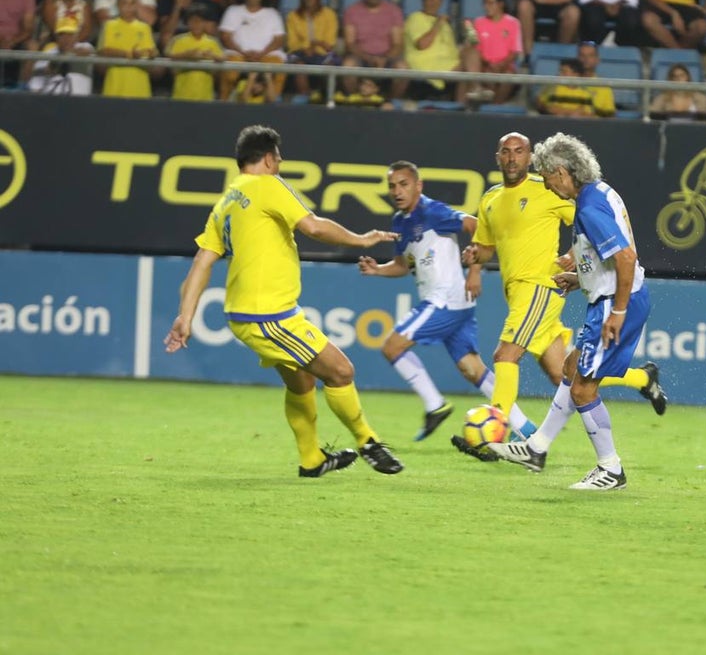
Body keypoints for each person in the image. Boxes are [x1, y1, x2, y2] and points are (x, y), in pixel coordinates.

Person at [164, 126, 404, 478]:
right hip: (268, 316)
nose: (280, 163)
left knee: (301, 381)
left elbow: (202, 260)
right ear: (267, 158)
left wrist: (185, 316)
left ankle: (312, 460)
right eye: (278, 157)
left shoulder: (227, 201)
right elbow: (314, 227)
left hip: (247, 314)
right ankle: (369, 441)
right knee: (341, 371)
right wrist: (362, 239)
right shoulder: (267, 185)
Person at [454, 132, 666, 460]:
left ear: (548, 167)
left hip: (542, 287)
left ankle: (497, 431)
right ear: (497, 156)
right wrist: (475, 259)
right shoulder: (491, 199)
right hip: (525, 291)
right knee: (567, 373)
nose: (512, 158)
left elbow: (607, 242)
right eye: (505, 152)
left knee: (506, 356)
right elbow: (487, 247)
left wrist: (575, 261)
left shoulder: (561, 195)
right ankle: (641, 379)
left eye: (519, 151)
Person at [357, 161, 497, 441]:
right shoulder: (400, 222)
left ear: (418, 186)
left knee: (392, 346)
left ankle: (435, 405)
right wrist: (378, 270)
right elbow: (402, 265)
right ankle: (525, 428)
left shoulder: (433, 211)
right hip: (455, 303)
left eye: (404, 184)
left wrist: (475, 270)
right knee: (472, 369)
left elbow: (477, 226)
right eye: (392, 186)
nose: (397, 191)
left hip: (444, 300)